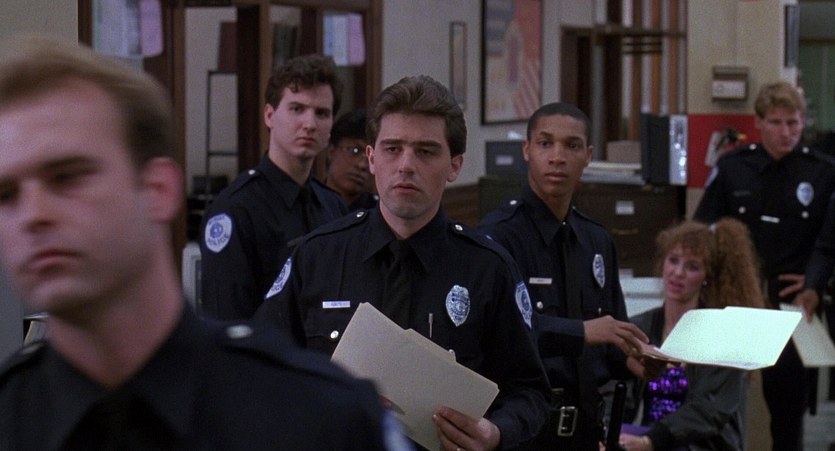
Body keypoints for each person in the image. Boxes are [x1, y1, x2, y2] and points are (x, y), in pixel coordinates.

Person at [0, 36, 398, 450]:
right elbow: (232, 306)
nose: (33, 215)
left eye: (68, 177)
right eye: (6, 194)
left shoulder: (320, 418)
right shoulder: (12, 418)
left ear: (157, 189)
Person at [255, 75, 551, 450]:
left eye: (426, 151)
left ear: (455, 165)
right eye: (392, 149)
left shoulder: (488, 269)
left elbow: (530, 392)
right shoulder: (318, 257)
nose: (406, 165)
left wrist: (495, 433)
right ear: (371, 158)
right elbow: (259, 368)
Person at [477, 102, 655, 450]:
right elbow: (497, 334)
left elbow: (611, 338)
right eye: (545, 143)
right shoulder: (498, 237)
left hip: (586, 429)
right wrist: (581, 332)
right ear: (527, 150)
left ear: (588, 155)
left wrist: (633, 360)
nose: (557, 157)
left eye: (571, 146)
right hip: (524, 433)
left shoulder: (595, 240)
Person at [694, 81, 835, 451]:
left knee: (787, 406)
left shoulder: (822, 171)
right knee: (720, 396)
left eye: (793, 122)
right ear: (758, 122)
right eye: (776, 122)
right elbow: (704, 230)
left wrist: (814, 283)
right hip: (738, 297)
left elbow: (828, 241)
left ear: (803, 122)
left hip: (789, 300)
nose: (785, 132)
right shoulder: (733, 167)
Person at [199, 53, 348, 320]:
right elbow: (227, 320)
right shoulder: (236, 209)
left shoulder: (332, 206)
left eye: (322, 113)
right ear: (269, 115)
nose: (310, 124)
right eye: (297, 109)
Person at [618, 219, 765, 451]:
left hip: (700, 444)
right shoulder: (641, 326)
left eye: (692, 267)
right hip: (646, 439)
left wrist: (651, 441)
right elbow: (617, 390)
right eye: (673, 260)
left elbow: (709, 410)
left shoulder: (723, 336)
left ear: (707, 276)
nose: (678, 273)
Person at [324, 108, 378, 211]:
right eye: (355, 151)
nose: (362, 165)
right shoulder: (307, 205)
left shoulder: (382, 213)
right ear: (331, 152)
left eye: (371, 156)